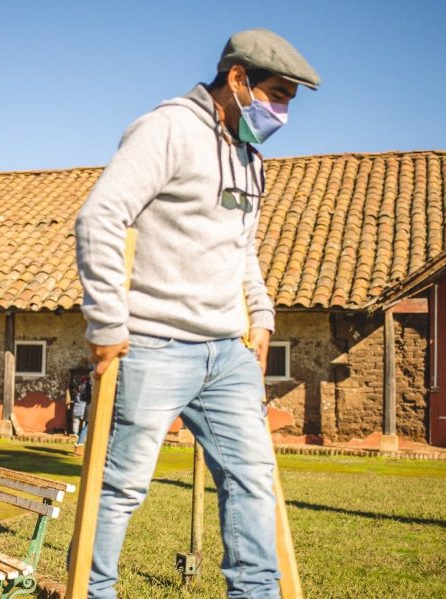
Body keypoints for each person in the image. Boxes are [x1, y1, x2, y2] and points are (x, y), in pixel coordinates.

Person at [75, 28, 320, 599]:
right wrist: (108, 324)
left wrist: (261, 313)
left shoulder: (248, 154)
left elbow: (241, 247)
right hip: (155, 343)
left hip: (227, 352)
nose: (280, 111)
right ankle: (93, 591)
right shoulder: (166, 129)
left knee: (251, 479)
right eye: (276, 94)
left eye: (288, 100)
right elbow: (100, 219)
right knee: (122, 487)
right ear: (238, 79)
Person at [72, 378, 92, 456]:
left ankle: (79, 445)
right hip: (91, 408)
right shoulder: (91, 383)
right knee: (87, 427)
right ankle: (79, 446)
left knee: (86, 427)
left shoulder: (87, 383)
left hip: (89, 407)